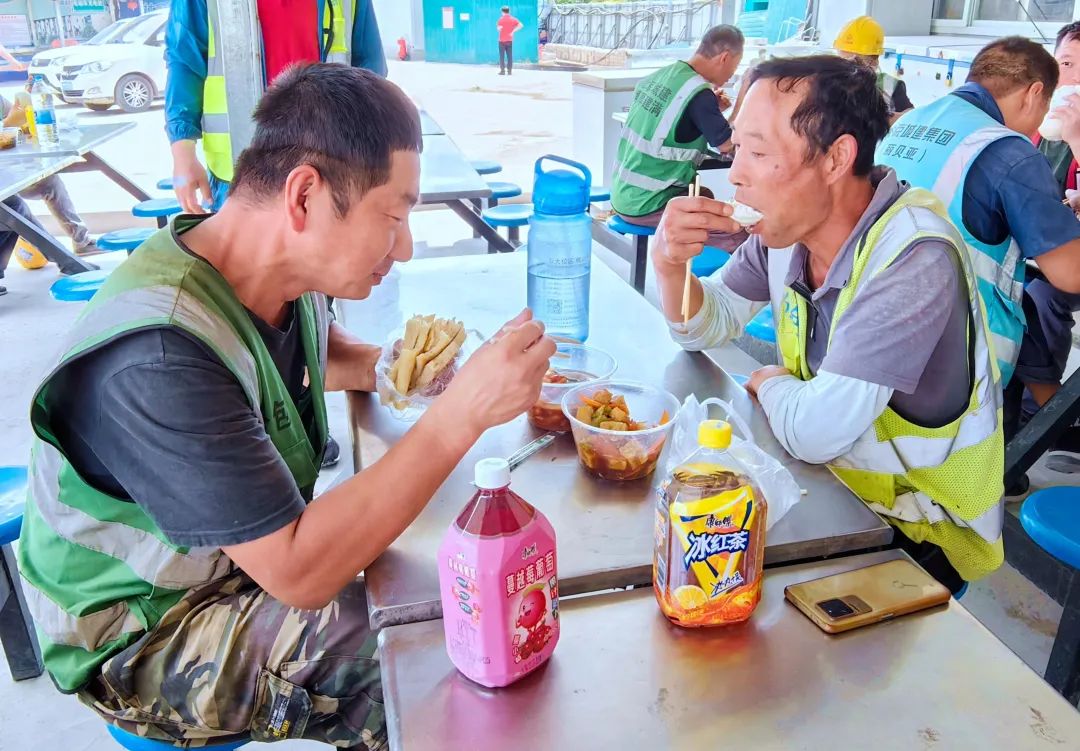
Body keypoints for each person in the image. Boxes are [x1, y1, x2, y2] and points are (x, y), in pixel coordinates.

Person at [17, 64, 555, 748]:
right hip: (146, 631)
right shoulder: (158, 354)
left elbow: (295, 354)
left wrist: (389, 370)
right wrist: (463, 414)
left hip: (228, 561)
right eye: (392, 217)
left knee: (450, 592)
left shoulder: (268, 272)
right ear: (304, 194)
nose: (407, 246)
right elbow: (301, 571)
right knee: (424, 645)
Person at [653, 55, 1004, 592]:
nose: (737, 173)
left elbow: (816, 432)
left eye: (760, 151)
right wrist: (670, 261)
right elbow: (704, 327)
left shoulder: (913, 256)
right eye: (738, 148)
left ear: (838, 157)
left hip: (919, 534)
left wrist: (770, 383)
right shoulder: (786, 233)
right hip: (831, 494)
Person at [876, 37, 1080, 441]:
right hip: (958, 354)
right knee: (1039, 309)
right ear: (1035, 93)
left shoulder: (912, 122)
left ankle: (1040, 427)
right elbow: (1071, 274)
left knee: (1035, 315)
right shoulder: (1009, 151)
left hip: (880, 319)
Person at [165, 0, 387, 214]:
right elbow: (185, 60)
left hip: (329, 166)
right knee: (248, 252)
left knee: (322, 251)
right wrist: (182, 151)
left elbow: (369, 68)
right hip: (241, 173)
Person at [611, 25, 745, 248]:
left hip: (624, 193)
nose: (730, 77)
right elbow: (727, 144)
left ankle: (690, 262)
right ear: (724, 58)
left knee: (705, 195)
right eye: (734, 69)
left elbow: (674, 124)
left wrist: (713, 111)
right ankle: (701, 278)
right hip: (648, 202)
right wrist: (743, 96)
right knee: (737, 233)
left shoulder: (665, 76)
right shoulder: (700, 95)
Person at [1, 86, 99, 256]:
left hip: (7, 171)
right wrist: (8, 124)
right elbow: (9, 123)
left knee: (49, 183)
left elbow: (20, 122)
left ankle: (81, 241)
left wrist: (28, 107)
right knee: (14, 207)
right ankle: (62, 257)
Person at [833, 15, 913, 120]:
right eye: (843, 60)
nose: (847, 68)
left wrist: (890, 119)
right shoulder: (826, 84)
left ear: (874, 60)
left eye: (856, 61)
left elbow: (912, 119)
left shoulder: (890, 86)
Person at [497, 5, 523, 75]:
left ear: (502, 12)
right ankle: (509, 71)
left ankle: (502, 71)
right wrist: (513, 31)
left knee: (502, 56)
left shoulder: (500, 19)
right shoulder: (513, 19)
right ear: (509, 11)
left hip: (501, 40)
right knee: (509, 56)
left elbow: (498, 29)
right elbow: (521, 25)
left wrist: (501, 28)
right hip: (509, 40)